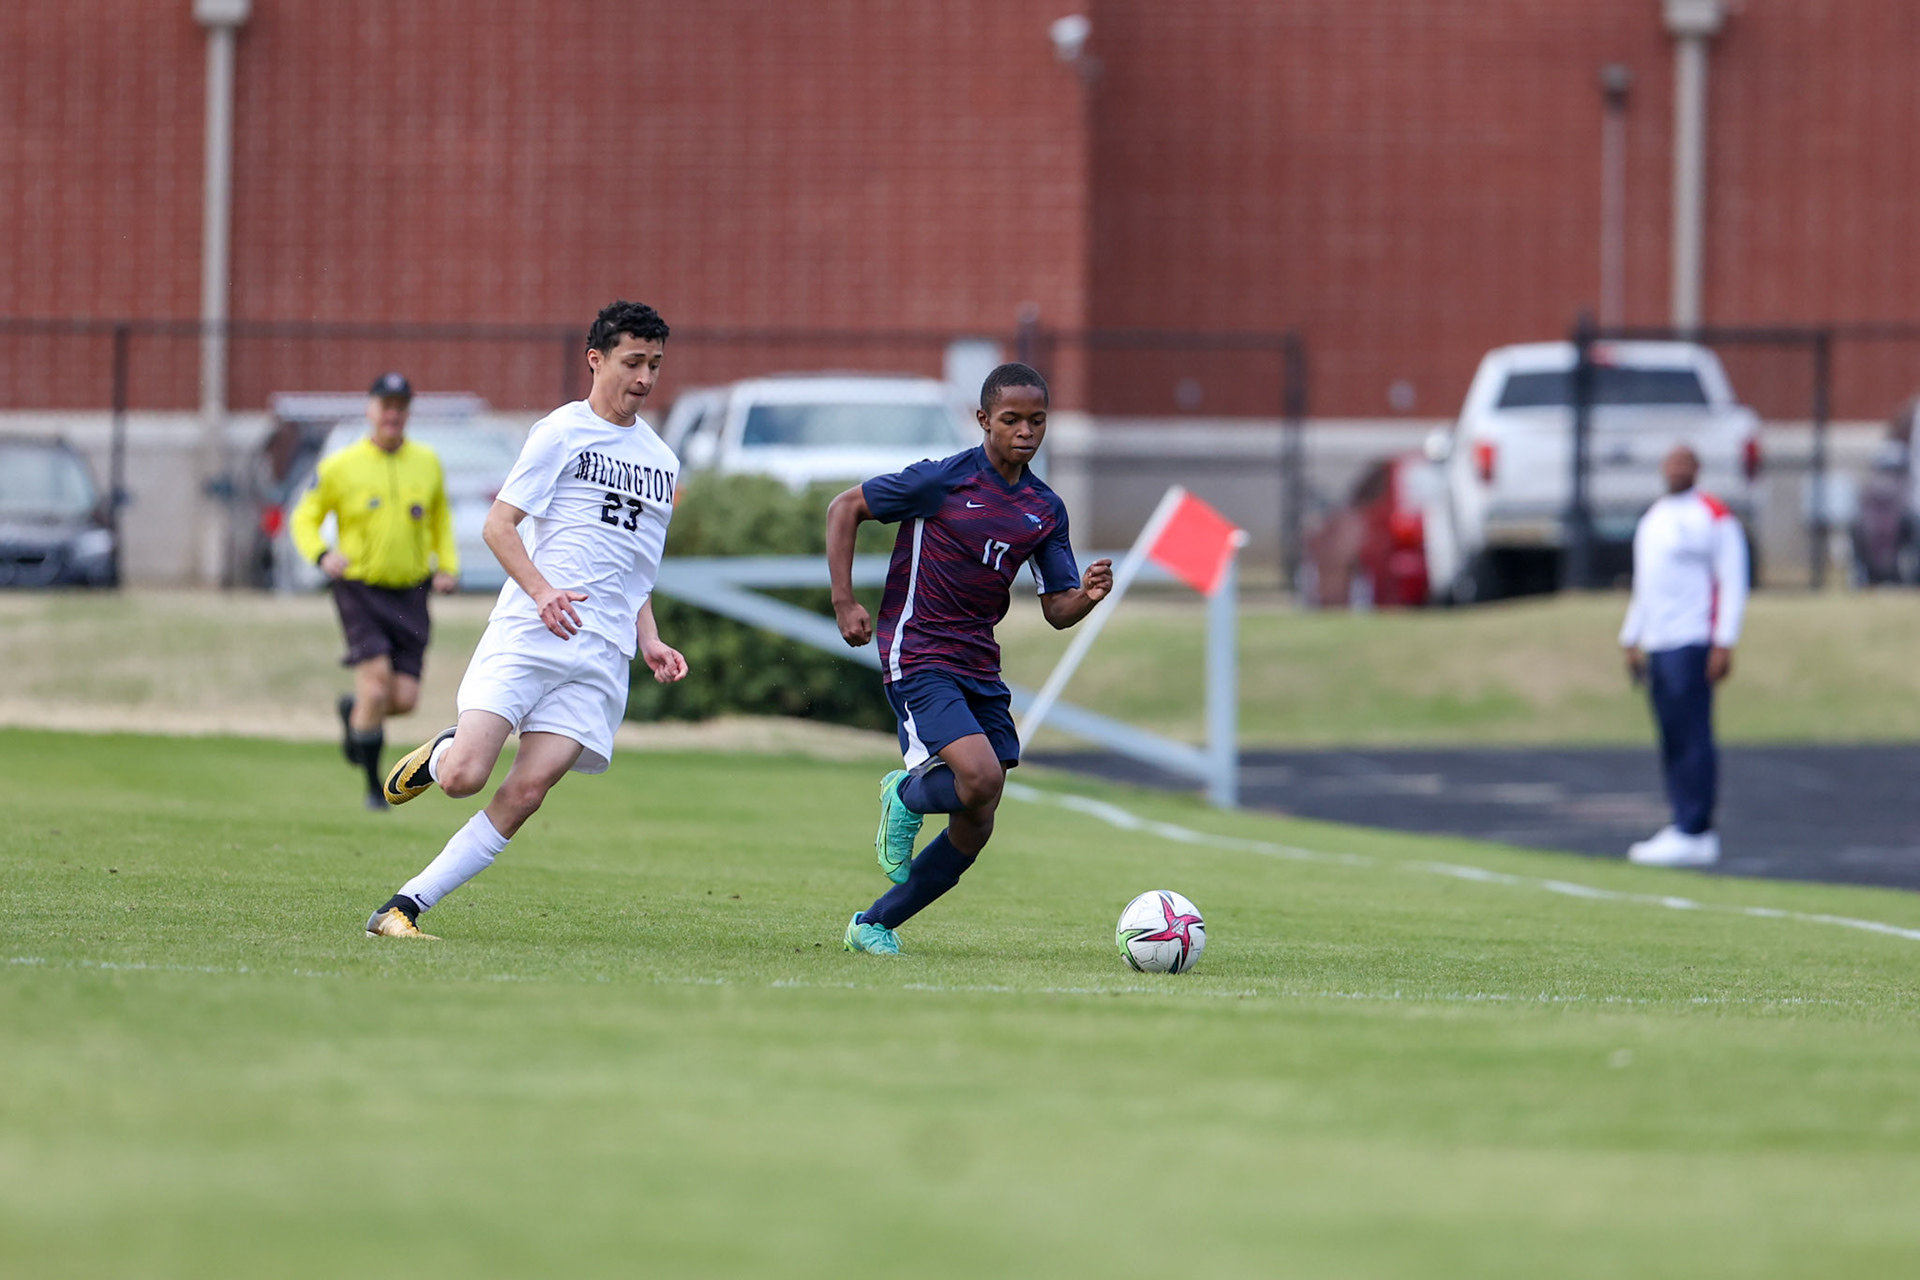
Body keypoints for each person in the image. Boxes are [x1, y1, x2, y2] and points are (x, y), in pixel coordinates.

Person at [364, 301, 688, 939]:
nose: (645, 378)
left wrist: (648, 638)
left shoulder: (664, 463)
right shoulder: (558, 433)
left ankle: (402, 909)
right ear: (596, 360)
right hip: (530, 632)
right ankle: (439, 756)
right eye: (632, 362)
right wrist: (542, 592)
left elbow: (634, 571)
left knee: (528, 793)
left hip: (598, 657)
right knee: (465, 778)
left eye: (654, 364)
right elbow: (497, 526)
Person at [827, 362, 1114, 954]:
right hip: (919, 647)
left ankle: (874, 924)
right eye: (1011, 419)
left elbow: (1056, 609)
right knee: (977, 775)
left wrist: (1085, 594)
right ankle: (903, 796)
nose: (1025, 431)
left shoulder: (1044, 508)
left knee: (979, 814)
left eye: (1037, 420)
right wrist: (845, 600)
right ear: (984, 420)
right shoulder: (942, 482)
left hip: (978, 660)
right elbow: (844, 508)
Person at [290, 372, 459, 810]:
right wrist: (321, 554)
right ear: (370, 409)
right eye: (385, 405)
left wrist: (448, 566)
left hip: (412, 592)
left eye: (400, 406)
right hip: (360, 589)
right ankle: (372, 787)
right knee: (377, 685)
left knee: (403, 700)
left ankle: (356, 716)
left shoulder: (427, 462)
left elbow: (440, 520)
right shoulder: (341, 466)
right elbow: (303, 517)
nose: (393, 414)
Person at [1619, 443, 1748, 868]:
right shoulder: (1654, 518)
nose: (1675, 469)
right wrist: (1631, 635)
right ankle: (1680, 821)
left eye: (1683, 462)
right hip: (1658, 641)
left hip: (1691, 638)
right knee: (1671, 735)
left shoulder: (1711, 515)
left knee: (1693, 734)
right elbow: (1646, 583)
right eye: (1669, 461)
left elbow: (1732, 578)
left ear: (1697, 468)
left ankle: (1696, 827)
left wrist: (1724, 640)